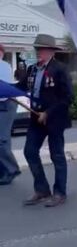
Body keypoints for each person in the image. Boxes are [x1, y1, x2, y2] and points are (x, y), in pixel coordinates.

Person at [16, 34, 72, 207]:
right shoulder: (33, 70)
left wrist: (48, 112)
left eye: (42, 49)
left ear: (51, 51)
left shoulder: (60, 69)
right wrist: (4, 87)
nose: (39, 52)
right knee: (30, 151)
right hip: (35, 118)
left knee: (57, 155)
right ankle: (42, 189)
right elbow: (20, 87)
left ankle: (59, 193)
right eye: (37, 48)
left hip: (54, 119)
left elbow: (68, 97)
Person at [0, 44, 20, 186]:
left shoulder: (3, 66)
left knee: (2, 140)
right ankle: (4, 170)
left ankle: (12, 169)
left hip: (7, 103)